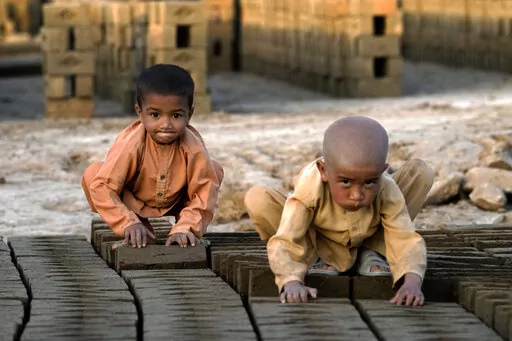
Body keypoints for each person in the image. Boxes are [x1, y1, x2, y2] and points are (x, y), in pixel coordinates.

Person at [244, 116, 434, 307]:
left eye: (369, 182)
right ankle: (317, 257)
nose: (357, 195)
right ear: (323, 170)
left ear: (382, 171)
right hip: (318, 243)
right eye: (345, 182)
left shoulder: (386, 186)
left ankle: (373, 251)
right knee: (257, 198)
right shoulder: (311, 186)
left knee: (420, 172)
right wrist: (291, 282)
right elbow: (287, 238)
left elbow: (404, 237)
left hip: (372, 235)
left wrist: (412, 281)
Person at [82, 64, 223, 249]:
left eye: (176, 115)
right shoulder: (131, 143)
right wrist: (128, 223)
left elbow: (204, 190)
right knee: (94, 175)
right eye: (155, 115)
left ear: (190, 114)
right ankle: (139, 228)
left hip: (177, 201)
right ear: (140, 113)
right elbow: (103, 186)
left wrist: (186, 227)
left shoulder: (193, 146)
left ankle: (183, 229)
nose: (166, 124)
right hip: (134, 201)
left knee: (213, 170)